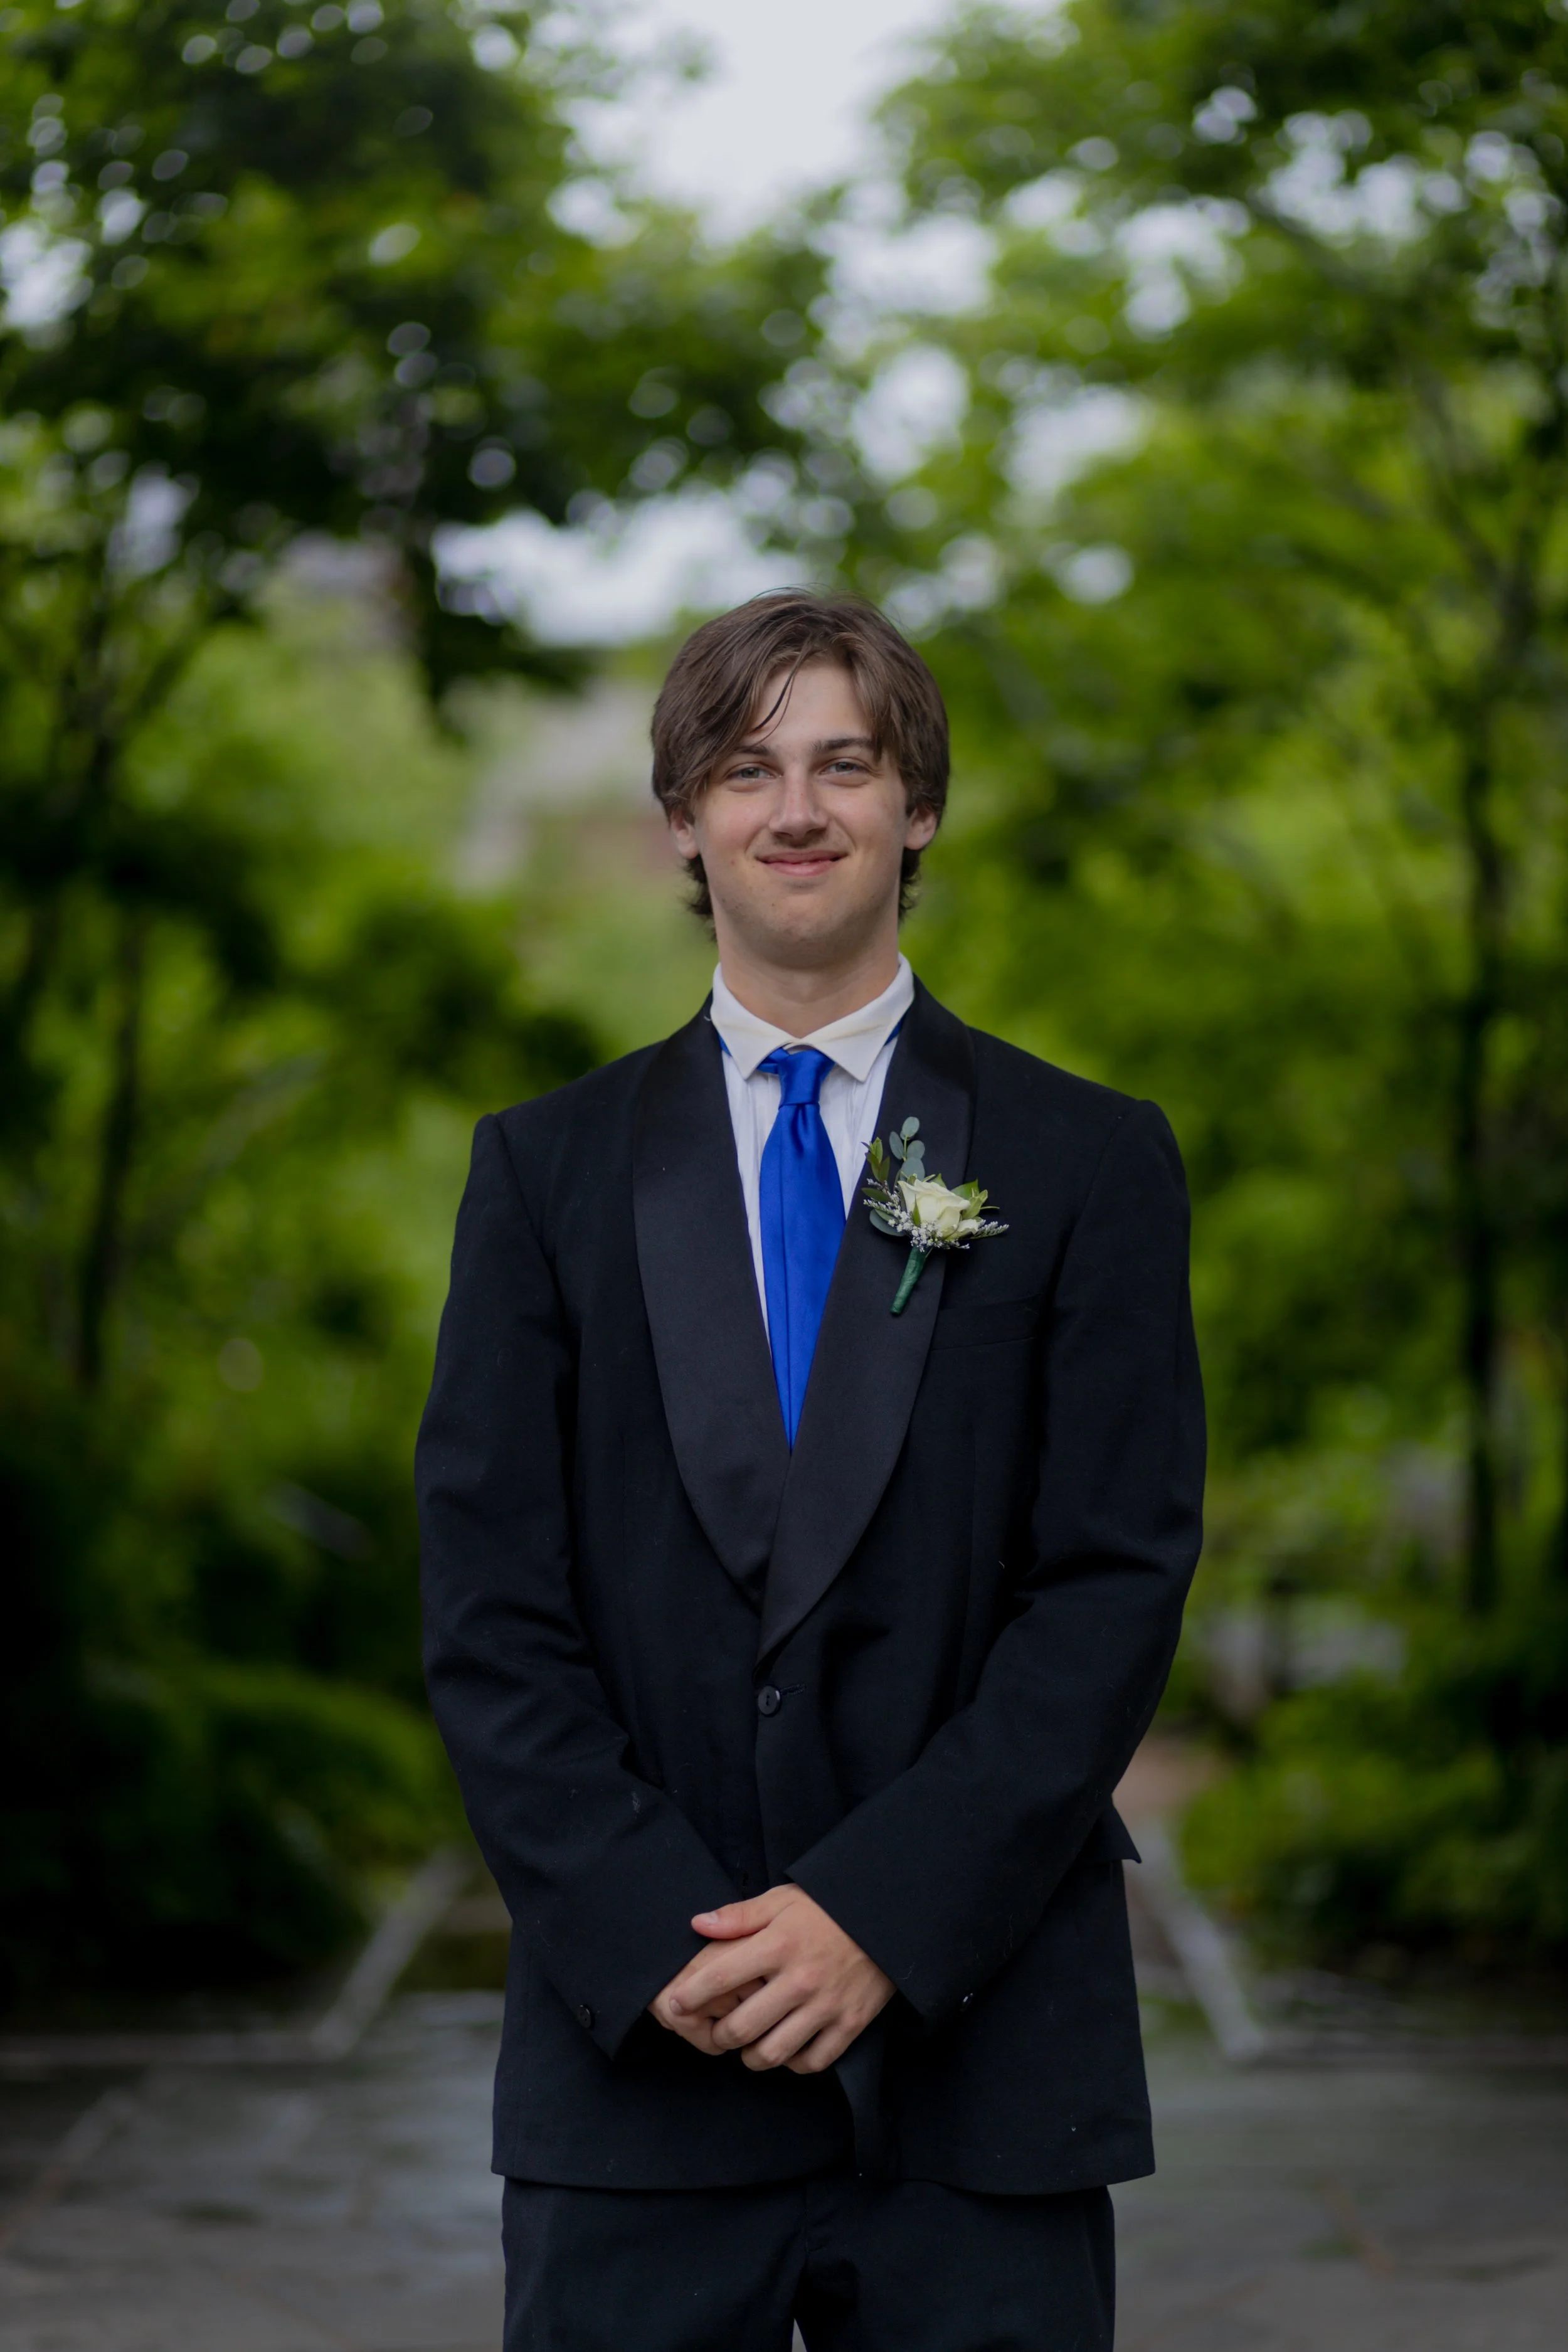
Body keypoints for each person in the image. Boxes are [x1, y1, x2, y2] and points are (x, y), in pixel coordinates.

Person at [416, 590, 1204, 2351]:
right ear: (681, 816)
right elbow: (488, 1603)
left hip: (980, 2061)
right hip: (641, 2055)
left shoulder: (1086, 1162)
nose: (796, 805)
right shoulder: (542, 1177)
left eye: (844, 761)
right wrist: (657, 1936)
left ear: (914, 805)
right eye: (744, 765)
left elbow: (1109, 1583)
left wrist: (878, 1914)